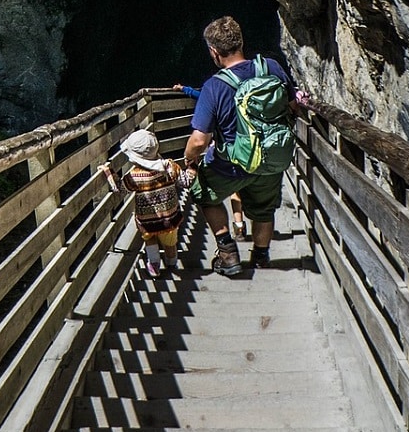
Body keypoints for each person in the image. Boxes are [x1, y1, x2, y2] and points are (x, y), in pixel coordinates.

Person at [182, 16, 307, 277]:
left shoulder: (214, 86)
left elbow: (199, 140)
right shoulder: (270, 67)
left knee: (203, 193)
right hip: (270, 159)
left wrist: (189, 160)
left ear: (214, 52)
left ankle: (228, 252)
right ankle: (260, 257)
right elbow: (293, 106)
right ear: (241, 42)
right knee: (264, 210)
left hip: (231, 166)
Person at [102, 128, 193, 277]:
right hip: (170, 219)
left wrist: (109, 173)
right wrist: (192, 167)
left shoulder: (134, 176)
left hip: (147, 221)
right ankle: (171, 263)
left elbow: (120, 189)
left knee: (150, 239)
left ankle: (154, 265)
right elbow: (185, 182)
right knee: (170, 243)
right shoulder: (169, 167)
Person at [172, 80, 247, 246]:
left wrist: (185, 89)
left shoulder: (219, 93)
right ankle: (241, 226)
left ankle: (233, 235)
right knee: (240, 191)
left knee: (217, 194)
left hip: (225, 151)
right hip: (251, 150)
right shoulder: (248, 96)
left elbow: (201, 96)